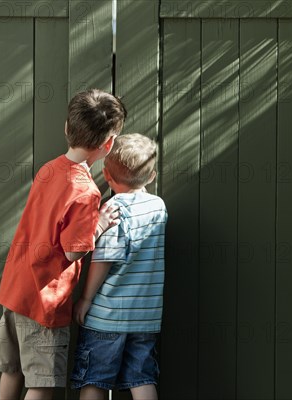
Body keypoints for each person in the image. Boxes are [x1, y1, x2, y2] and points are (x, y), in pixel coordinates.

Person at [0, 89, 127, 400]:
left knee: (11, 368)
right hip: (44, 301)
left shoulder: (48, 169)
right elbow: (72, 250)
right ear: (108, 145)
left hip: (16, 289)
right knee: (42, 383)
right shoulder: (87, 192)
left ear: (67, 127)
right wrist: (100, 224)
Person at [71, 133, 167, 400]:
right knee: (142, 378)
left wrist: (86, 299)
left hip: (107, 318)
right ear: (151, 176)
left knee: (95, 381)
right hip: (145, 318)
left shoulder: (114, 210)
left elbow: (104, 259)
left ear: (107, 176)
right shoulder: (158, 207)